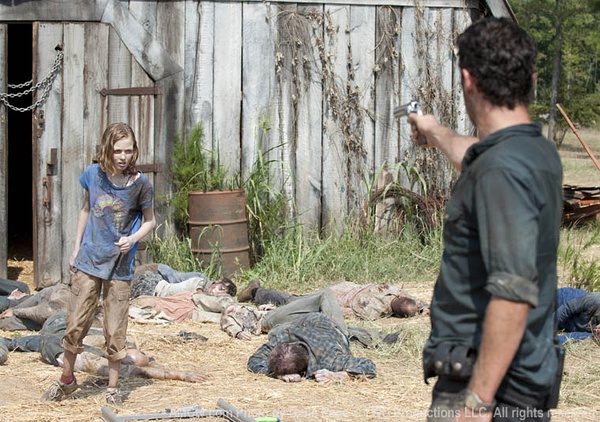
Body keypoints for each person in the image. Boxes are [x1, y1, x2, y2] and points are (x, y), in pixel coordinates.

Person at [408, 17, 563, 421]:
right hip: (515, 384)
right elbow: (474, 155)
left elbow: (512, 292)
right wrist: (433, 130)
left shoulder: (501, 170)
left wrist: (477, 403)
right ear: (530, 80)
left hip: (491, 391)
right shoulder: (533, 152)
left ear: (468, 80)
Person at [41, 122, 156, 407]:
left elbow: (151, 221)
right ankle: (66, 380)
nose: (123, 156)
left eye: (128, 150)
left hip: (120, 266)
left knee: (115, 329)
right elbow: (85, 210)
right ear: (107, 149)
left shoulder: (141, 185)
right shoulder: (93, 175)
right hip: (89, 261)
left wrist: (133, 238)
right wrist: (75, 250)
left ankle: (113, 388)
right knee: (75, 323)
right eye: (118, 151)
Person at [222, 288, 399, 347]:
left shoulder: (240, 306)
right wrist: (237, 332)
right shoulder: (227, 309)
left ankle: (378, 338)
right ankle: (341, 334)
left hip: (272, 316)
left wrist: (268, 308)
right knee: (324, 296)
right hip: (268, 321)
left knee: (320, 324)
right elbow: (226, 322)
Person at [247, 312, 376, 382]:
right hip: (309, 323)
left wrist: (339, 375)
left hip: (329, 326)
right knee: (273, 332)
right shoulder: (288, 335)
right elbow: (255, 359)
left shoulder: (330, 360)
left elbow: (368, 365)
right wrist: (276, 374)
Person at [237, 279, 429, 319]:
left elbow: (410, 301)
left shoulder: (391, 289)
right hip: (335, 297)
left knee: (296, 300)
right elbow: (339, 312)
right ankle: (255, 292)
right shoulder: (370, 312)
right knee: (293, 302)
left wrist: (424, 307)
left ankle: (256, 292)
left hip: (343, 287)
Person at [0, 283, 70, 331]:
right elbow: (43, 311)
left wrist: (14, 312)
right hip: (49, 301)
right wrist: (14, 311)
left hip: (48, 315)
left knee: (7, 322)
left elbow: (43, 313)